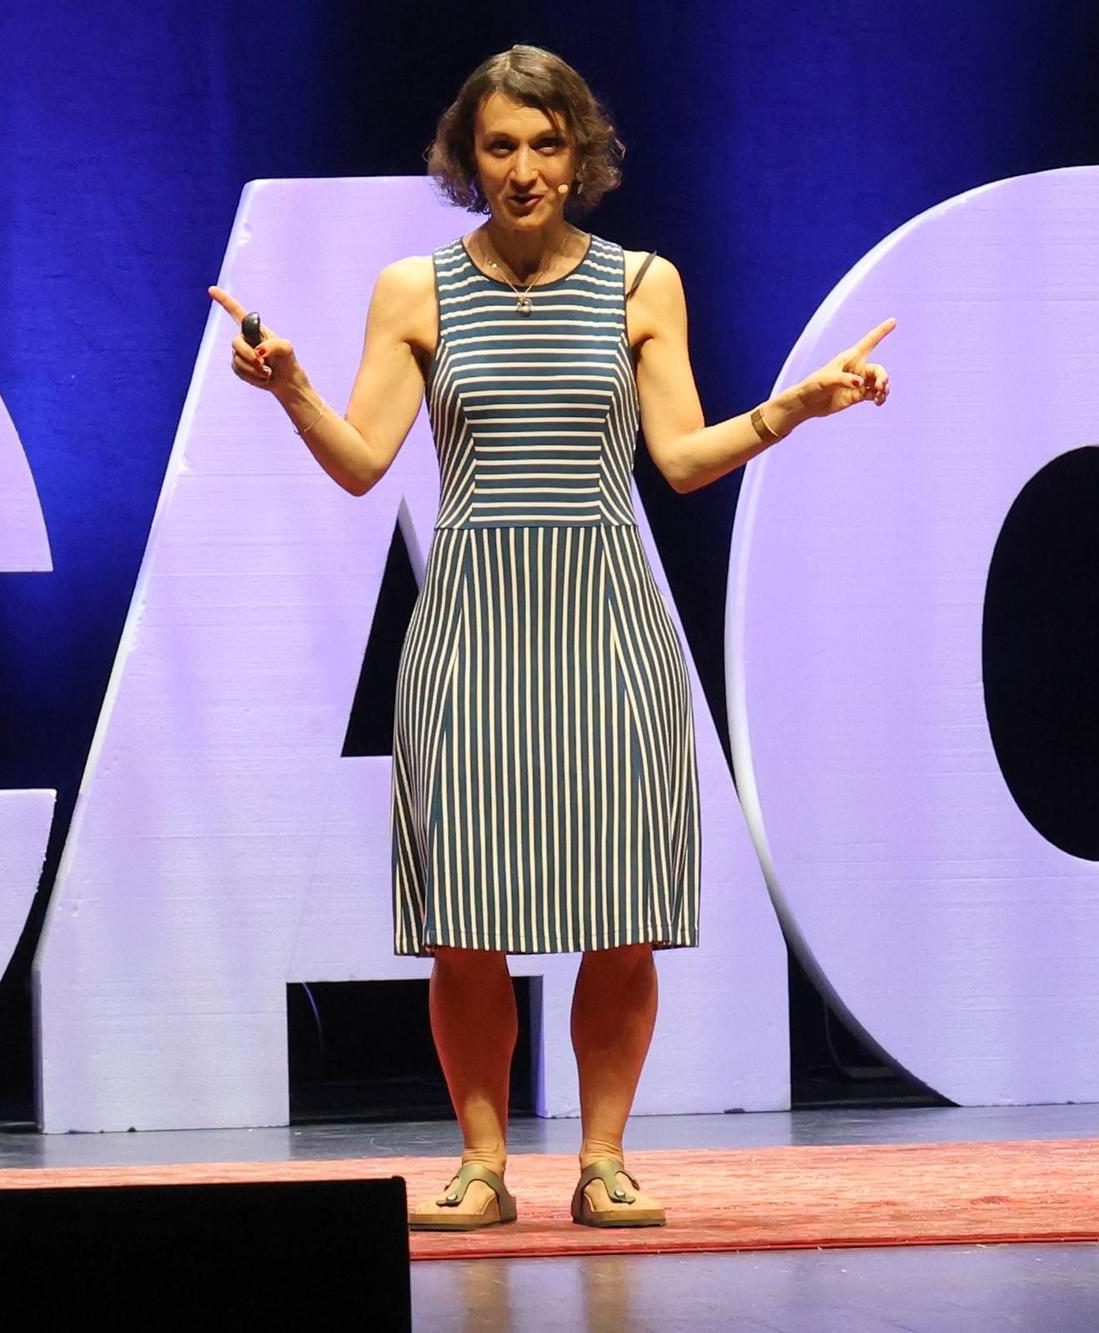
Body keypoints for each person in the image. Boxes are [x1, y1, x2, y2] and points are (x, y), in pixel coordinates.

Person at [208, 43, 891, 1231]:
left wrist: (796, 404)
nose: (523, 169)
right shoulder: (412, 289)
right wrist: (292, 391)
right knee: (465, 920)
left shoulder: (641, 284)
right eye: (498, 146)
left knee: (620, 913)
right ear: (466, 160)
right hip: (469, 629)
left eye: (545, 143)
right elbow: (366, 466)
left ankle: (603, 1160)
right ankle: (479, 1165)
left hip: (607, 623)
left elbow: (676, 461)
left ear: (580, 154)